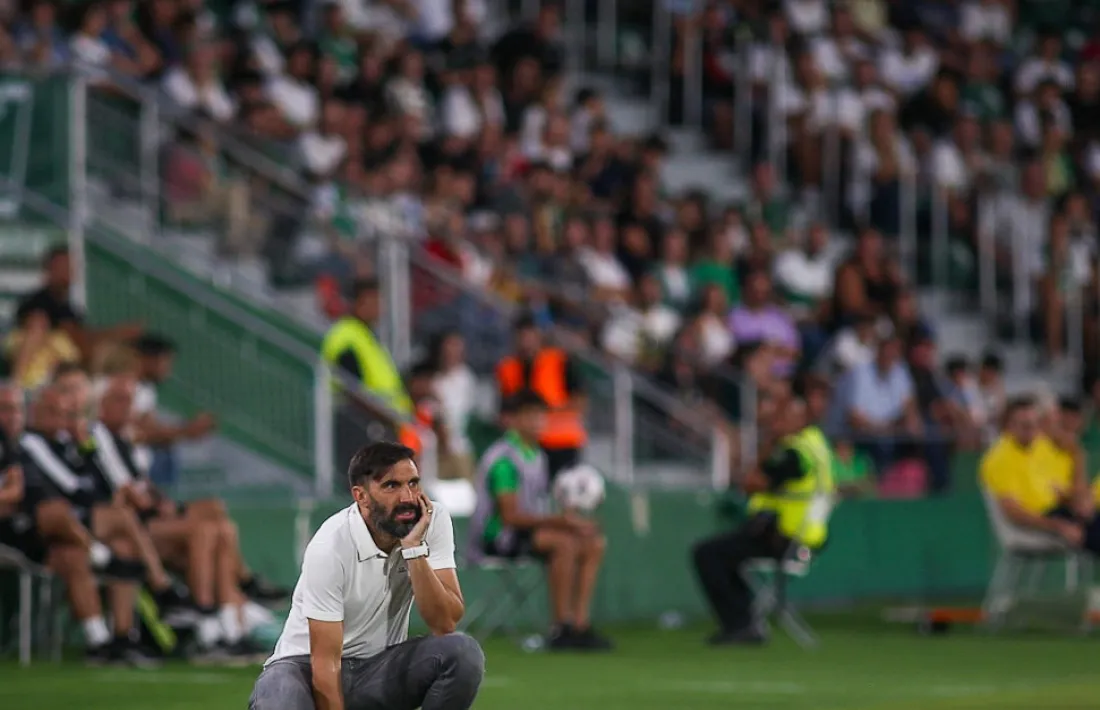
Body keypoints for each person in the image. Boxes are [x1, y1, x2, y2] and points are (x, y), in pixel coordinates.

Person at [249, 441, 484, 710]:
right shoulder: (331, 546)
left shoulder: (431, 520)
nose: (408, 497)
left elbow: (444, 623)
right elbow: (324, 662)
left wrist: (414, 549)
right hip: (304, 668)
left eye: (413, 483)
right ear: (361, 496)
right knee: (281, 696)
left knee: (461, 653)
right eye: (391, 486)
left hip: (378, 668)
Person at [90, 374, 268, 660]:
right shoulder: (99, 435)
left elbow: (141, 487)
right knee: (206, 530)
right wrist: (162, 506)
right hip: (129, 528)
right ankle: (212, 627)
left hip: (146, 522)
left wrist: (160, 503)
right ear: (101, 404)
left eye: (129, 401)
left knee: (221, 527)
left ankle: (230, 631)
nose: (127, 408)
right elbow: (129, 493)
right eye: (119, 400)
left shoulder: (124, 438)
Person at [0, 381, 153, 665]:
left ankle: (110, 641)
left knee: (77, 554)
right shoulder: (29, 444)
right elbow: (58, 491)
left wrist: (85, 447)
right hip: (26, 529)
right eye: (6, 409)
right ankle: (151, 581)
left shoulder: (61, 445)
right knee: (59, 512)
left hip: (54, 532)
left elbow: (89, 486)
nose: (12, 416)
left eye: (16, 409)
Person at [19, 384, 194, 618]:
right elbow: (72, 486)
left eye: (65, 413)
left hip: (82, 518)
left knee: (124, 548)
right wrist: (107, 498)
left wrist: (85, 447)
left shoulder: (66, 442)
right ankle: (162, 587)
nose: (61, 419)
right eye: (52, 411)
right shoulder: (32, 441)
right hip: (54, 524)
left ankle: (122, 634)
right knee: (122, 516)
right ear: (34, 411)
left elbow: (92, 478)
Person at [468, 390, 612, 651]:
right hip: (498, 538)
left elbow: (538, 508)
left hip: (529, 532)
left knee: (594, 542)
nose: (537, 422)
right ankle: (561, 628)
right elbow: (510, 517)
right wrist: (563, 523)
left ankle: (580, 625)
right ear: (514, 420)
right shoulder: (504, 459)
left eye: (540, 415)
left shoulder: (537, 455)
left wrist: (569, 520)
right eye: (530, 415)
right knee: (565, 543)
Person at [692, 396, 835, 646]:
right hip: (806, 540)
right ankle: (746, 621)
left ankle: (741, 624)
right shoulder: (816, 444)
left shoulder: (794, 453)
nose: (775, 422)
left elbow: (751, 482)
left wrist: (769, 442)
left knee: (707, 554)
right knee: (725, 554)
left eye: (781, 417)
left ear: (799, 420)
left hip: (786, 539)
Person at [980, 396, 1100, 554]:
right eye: (1025, 425)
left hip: (1065, 511)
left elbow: (1065, 489)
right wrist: (1058, 526)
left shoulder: (1040, 445)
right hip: (1042, 521)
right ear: (1008, 426)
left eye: (1036, 423)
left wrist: (1077, 501)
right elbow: (1013, 512)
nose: (1032, 429)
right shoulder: (999, 459)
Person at [320, 278, 416, 469]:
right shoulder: (346, 335)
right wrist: (388, 417)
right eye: (372, 301)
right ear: (357, 302)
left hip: (386, 422)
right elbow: (352, 388)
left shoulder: (367, 335)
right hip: (361, 423)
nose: (378, 307)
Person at [495, 316, 587, 480]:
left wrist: (550, 410)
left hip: (561, 443)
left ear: (539, 336)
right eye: (522, 336)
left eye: (530, 336)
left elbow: (580, 400)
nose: (526, 342)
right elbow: (504, 411)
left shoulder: (559, 360)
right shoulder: (507, 368)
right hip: (525, 446)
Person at [129, 334, 217, 488]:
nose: (168, 370)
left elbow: (151, 429)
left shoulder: (147, 389)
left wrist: (186, 430)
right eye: (166, 362)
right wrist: (186, 430)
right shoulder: (124, 389)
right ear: (148, 360)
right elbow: (136, 433)